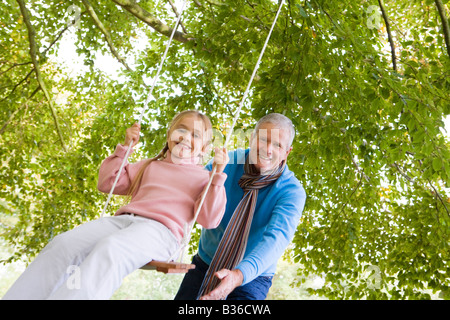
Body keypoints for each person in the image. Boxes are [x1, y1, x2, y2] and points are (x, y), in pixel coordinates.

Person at [3, 110, 229, 300]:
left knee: (111, 249)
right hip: (124, 221)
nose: (186, 137)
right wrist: (125, 148)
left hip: (162, 232)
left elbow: (209, 219)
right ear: (169, 133)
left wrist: (217, 176)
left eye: (196, 135)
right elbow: (107, 182)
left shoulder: (204, 178)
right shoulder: (149, 165)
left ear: (205, 148)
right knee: (63, 244)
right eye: (181, 129)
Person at [175, 113, 306, 300]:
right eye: (263, 139)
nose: (268, 149)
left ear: (287, 152)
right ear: (252, 138)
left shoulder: (291, 191)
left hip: (252, 275)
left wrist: (238, 275)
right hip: (206, 262)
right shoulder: (225, 163)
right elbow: (188, 199)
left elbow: (275, 239)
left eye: (277, 145)